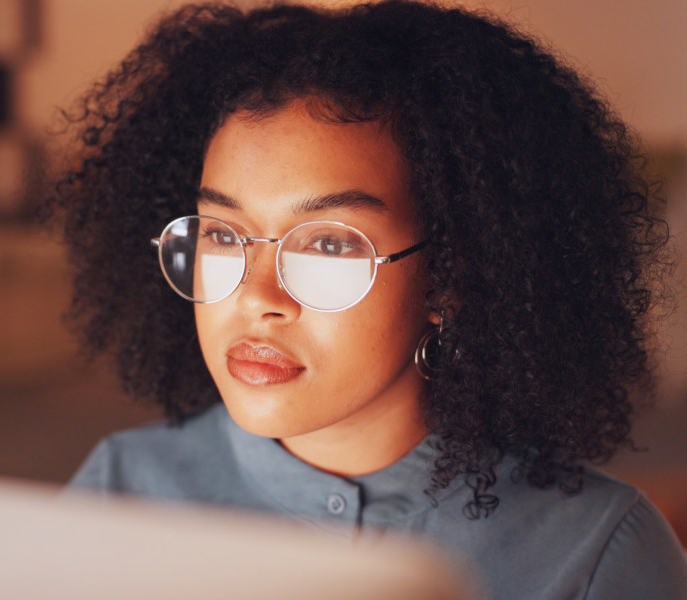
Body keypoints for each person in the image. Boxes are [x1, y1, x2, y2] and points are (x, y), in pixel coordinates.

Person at [48, 2, 687, 598]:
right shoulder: (121, 489)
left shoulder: (596, 552)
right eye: (221, 233)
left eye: (327, 245)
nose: (257, 297)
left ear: (451, 276)